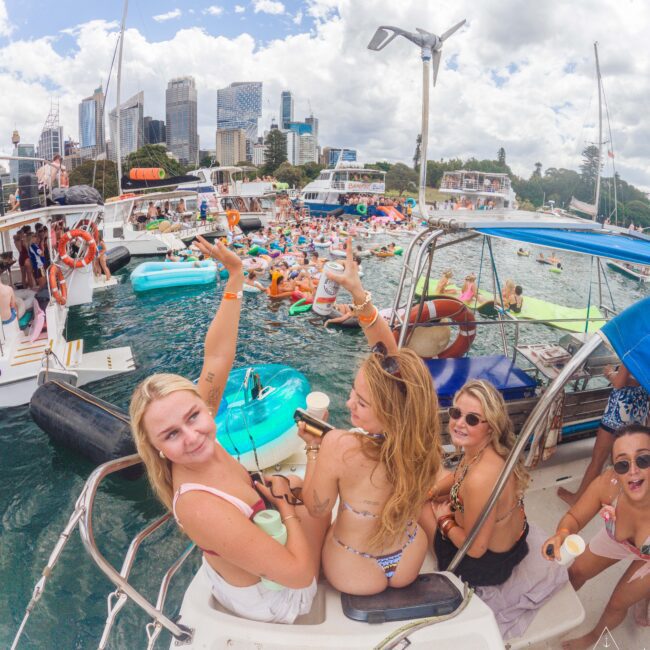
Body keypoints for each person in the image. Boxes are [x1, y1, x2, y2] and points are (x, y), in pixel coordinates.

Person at [129, 236, 328, 624]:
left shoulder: (202, 424)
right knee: (334, 468)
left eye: (192, 417)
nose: (192, 436)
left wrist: (235, 276)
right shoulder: (198, 505)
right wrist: (286, 505)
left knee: (332, 476)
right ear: (156, 449)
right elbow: (300, 574)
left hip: (262, 561)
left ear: (204, 409)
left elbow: (218, 355)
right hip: (273, 602)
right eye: (170, 435)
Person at [297, 239, 442, 595]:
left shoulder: (340, 445)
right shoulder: (423, 435)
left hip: (354, 567)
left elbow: (317, 508)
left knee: (313, 521)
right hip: (409, 555)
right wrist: (357, 292)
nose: (348, 405)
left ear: (390, 410)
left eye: (360, 402)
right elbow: (393, 363)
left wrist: (314, 449)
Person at [424, 380, 567, 639]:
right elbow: (458, 475)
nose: (459, 423)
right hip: (512, 543)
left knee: (419, 510)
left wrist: (445, 520)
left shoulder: (480, 479)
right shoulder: (483, 451)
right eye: (456, 413)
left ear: (491, 427)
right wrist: (433, 492)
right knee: (431, 488)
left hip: (487, 564)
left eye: (472, 419)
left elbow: (476, 549)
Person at [543, 424, 650, 649]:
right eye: (622, 464)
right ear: (614, 470)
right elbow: (574, 518)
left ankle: (592, 638)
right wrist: (561, 534)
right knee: (575, 572)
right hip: (616, 539)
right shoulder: (608, 484)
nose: (633, 470)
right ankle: (560, 613)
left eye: (643, 460)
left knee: (618, 603)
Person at [559, 364, 649, 505]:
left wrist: (610, 374)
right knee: (627, 458)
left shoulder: (631, 347)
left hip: (619, 411)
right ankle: (625, 497)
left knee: (598, 458)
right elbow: (642, 380)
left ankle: (577, 499)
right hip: (638, 410)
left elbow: (619, 383)